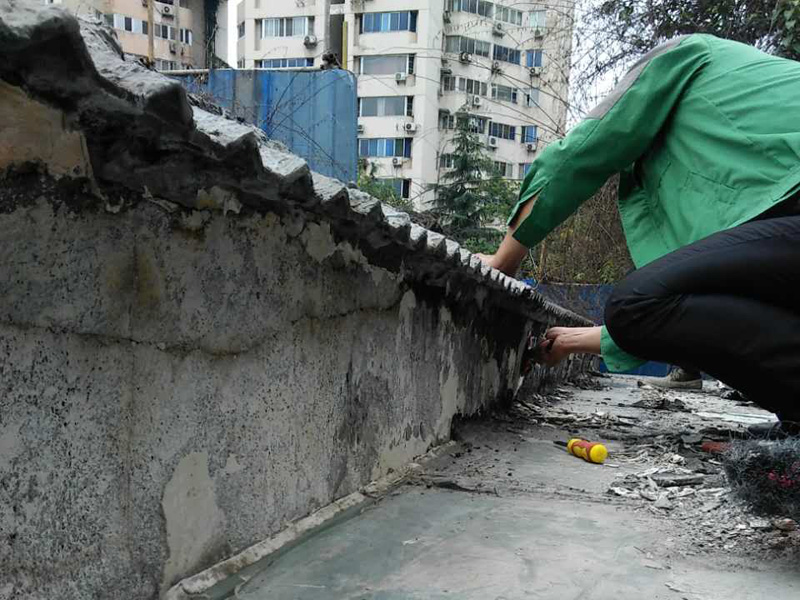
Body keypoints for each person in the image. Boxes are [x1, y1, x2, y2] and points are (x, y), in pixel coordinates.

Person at [478, 34, 800, 438]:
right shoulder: (721, 140)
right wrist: (584, 340)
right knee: (640, 307)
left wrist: (502, 262)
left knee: (633, 304)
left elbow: (582, 153)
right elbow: (712, 308)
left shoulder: (686, 55)